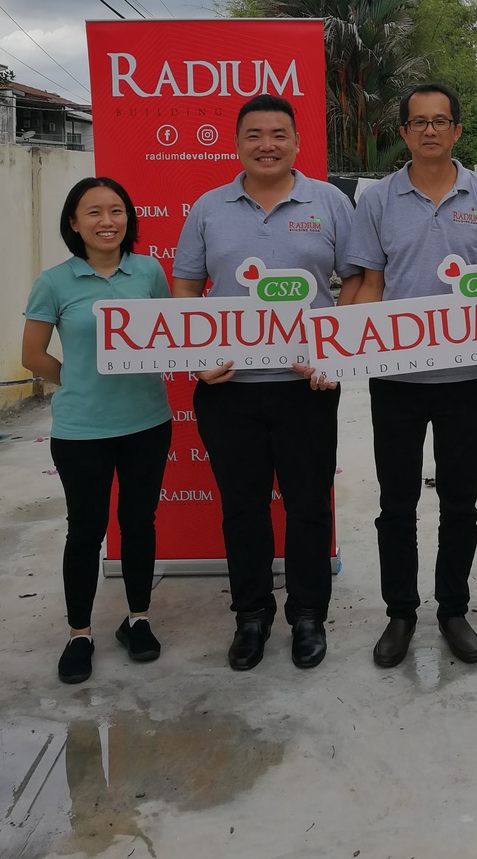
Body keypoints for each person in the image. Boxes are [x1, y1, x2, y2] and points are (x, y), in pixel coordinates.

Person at [171, 94, 360, 672]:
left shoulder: (330, 202)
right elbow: (186, 288)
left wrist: (336, 352)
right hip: (228, 389)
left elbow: (357, 279)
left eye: (279, 134)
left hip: (307, 388)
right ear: (237, 144)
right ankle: (251, 615)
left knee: (309, 507)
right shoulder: (208, 208)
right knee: (242, 509)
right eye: (254, 134)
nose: (267, 145)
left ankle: (308, 615)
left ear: (297, 143)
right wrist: (196, 357)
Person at [347, 82, 477, 668]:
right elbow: (369, 282)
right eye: (419, 122)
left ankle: (453, 609)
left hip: (465, 377)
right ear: (404, 133)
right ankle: (400, 612)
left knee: (460, 504)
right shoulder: (377, 200)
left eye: (441, 120)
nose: (431, 130)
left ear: (457, 130)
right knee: (396, 503)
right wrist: (345, 348)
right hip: (395, 378)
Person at [22, 177, 173, 685]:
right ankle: (79, 634)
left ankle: (138, 620)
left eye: (116, 210)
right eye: (93, 212)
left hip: (147, 423)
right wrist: (78, 378)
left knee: (139, 523)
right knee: (86, 531)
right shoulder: (54, 282)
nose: (107, 221)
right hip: (81, 430)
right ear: (74, 222)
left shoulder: (148, 271)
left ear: (128, 218)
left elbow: (169, 338)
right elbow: (32, 355)